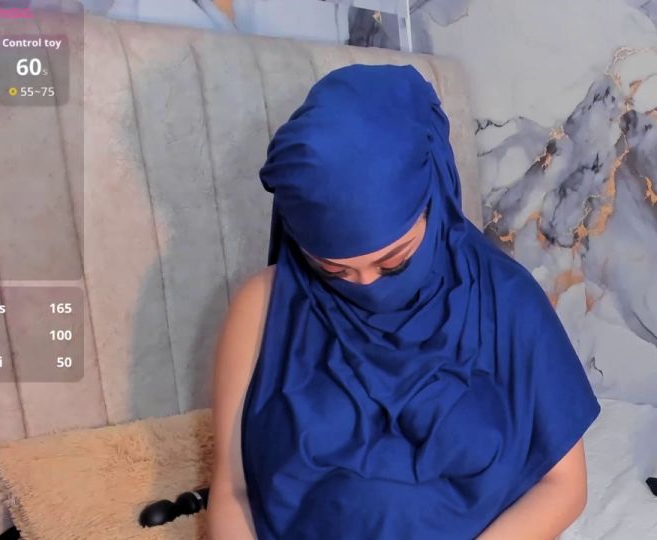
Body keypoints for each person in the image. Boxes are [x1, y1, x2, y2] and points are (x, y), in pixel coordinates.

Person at [208, 64, 600, 540]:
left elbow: (564, 486)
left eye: (394, 263)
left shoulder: (509, 303)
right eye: (333, 270)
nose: (367, 285)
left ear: (436, 198)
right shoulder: (262, 310)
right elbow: (232, 491)